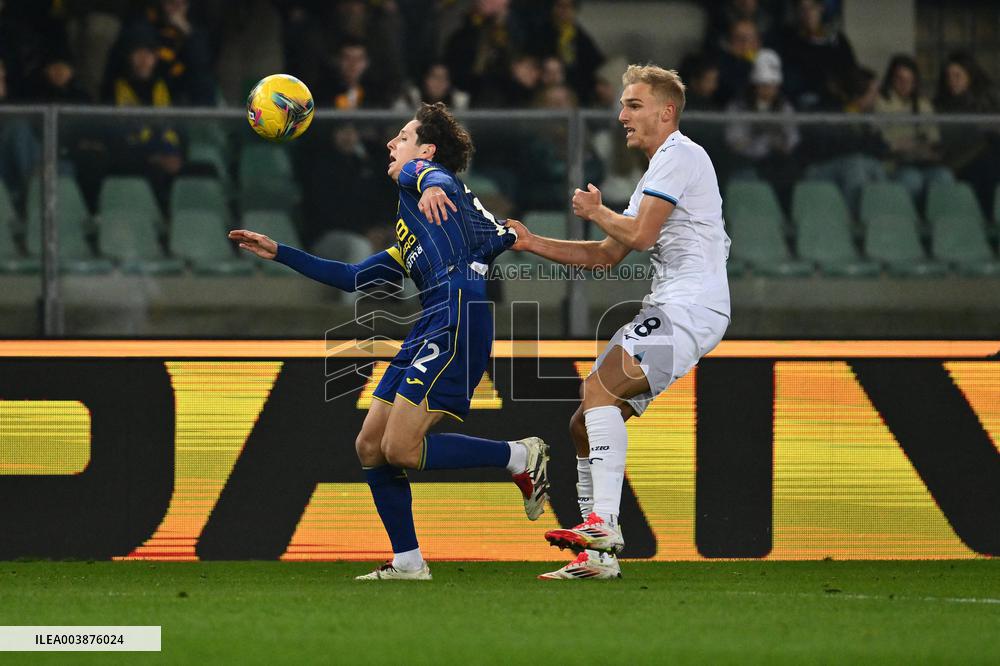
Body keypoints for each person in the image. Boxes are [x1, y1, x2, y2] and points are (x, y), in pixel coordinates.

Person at [230, 103, 549, 581]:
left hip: (458, 318)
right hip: (432, 321)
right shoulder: (420, 227)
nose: (390, 144)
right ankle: (408, 560)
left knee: (401, 448)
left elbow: (430, 178)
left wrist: (433, 184)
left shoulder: (426, 180)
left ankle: (518, 456)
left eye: (402, 137)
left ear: (426, 149)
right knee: (370, 445)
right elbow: (353, 277)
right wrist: (280, 253)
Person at [507, 65, 731, 579]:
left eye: (633, 105)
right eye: (623, 104)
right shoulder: (658, 171)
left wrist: (596, 209)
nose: (622, 115)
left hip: (690, 305)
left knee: (598, 389)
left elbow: (643, 235)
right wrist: (532, 242)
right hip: (676, 306)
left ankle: (603, 522)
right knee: (582, 423)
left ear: (665, 112)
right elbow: (607, 255)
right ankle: (598, 559)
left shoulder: (681, 155)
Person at [875, 54, 952, 203]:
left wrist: (927, 149)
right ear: (891, 79)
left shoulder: (923, 105)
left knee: (943, 176)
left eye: (910, 80)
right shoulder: (881, 103)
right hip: (894, 164)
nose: (905, 85)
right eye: (900, 79)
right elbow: (878, 139)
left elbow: (933, 138)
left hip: (921, 162)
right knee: (912, 179)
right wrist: (899, 145)